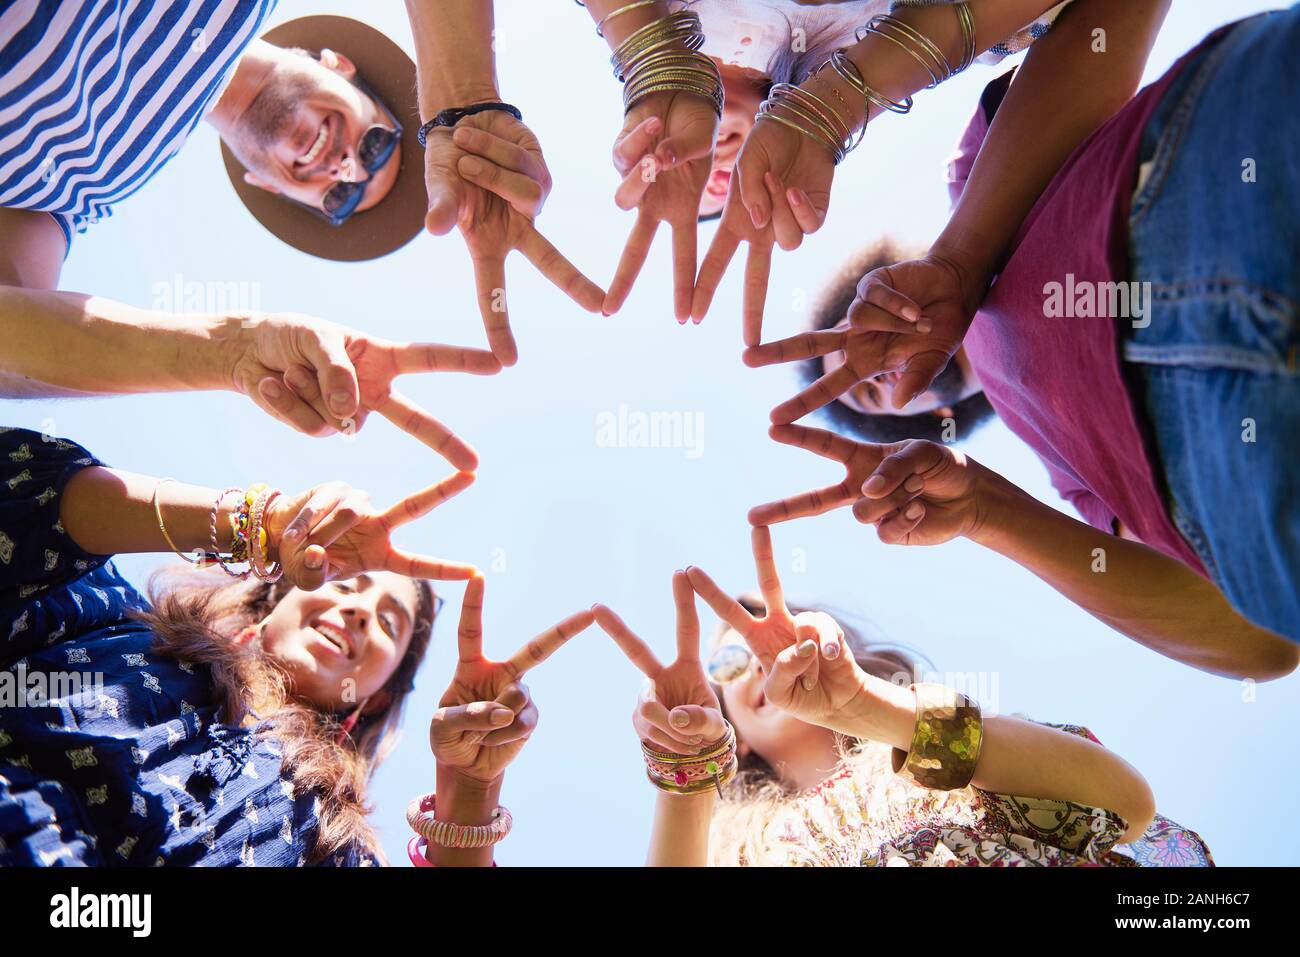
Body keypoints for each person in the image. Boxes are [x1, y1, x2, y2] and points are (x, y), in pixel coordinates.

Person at [745, 6, 1300, 662]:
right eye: (870, 394)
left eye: (855, 338)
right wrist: (984, 507)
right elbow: (1260, 643)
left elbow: (1115, 13)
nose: (871, 365)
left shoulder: (978, 178)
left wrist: (960, 261)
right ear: (932, 417)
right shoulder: (1077, 483)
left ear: (882, 279)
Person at [0, 427, 594, 865]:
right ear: (272, 601)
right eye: (349, 585)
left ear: (380, 698)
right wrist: (257, 521)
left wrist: (469, 790)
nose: (361, 611)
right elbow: (21, 503)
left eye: (390, 623)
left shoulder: (331, 844)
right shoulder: (115, 622)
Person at [1, 5, 602, 405]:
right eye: (377, 142)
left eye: (340, 196)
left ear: (270, 186)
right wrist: (463, 103)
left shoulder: (85, 187)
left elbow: (14, 354)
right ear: (339, 64)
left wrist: (238, 354)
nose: (347, 167)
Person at [593, 528, 1211, 866]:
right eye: (729, 661)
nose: (755, 664)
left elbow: (1123, 805)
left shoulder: (940, 734)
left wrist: (862, 705)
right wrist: (688, 771)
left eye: (765, 644)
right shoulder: (735, 849)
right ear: (733, 728)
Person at [571, 0, 1079, 327]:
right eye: (726, 183)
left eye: (684, 162)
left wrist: (653, 63)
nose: (707, 160)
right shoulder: (930, 46)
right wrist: (832, 108)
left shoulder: (660, 10)